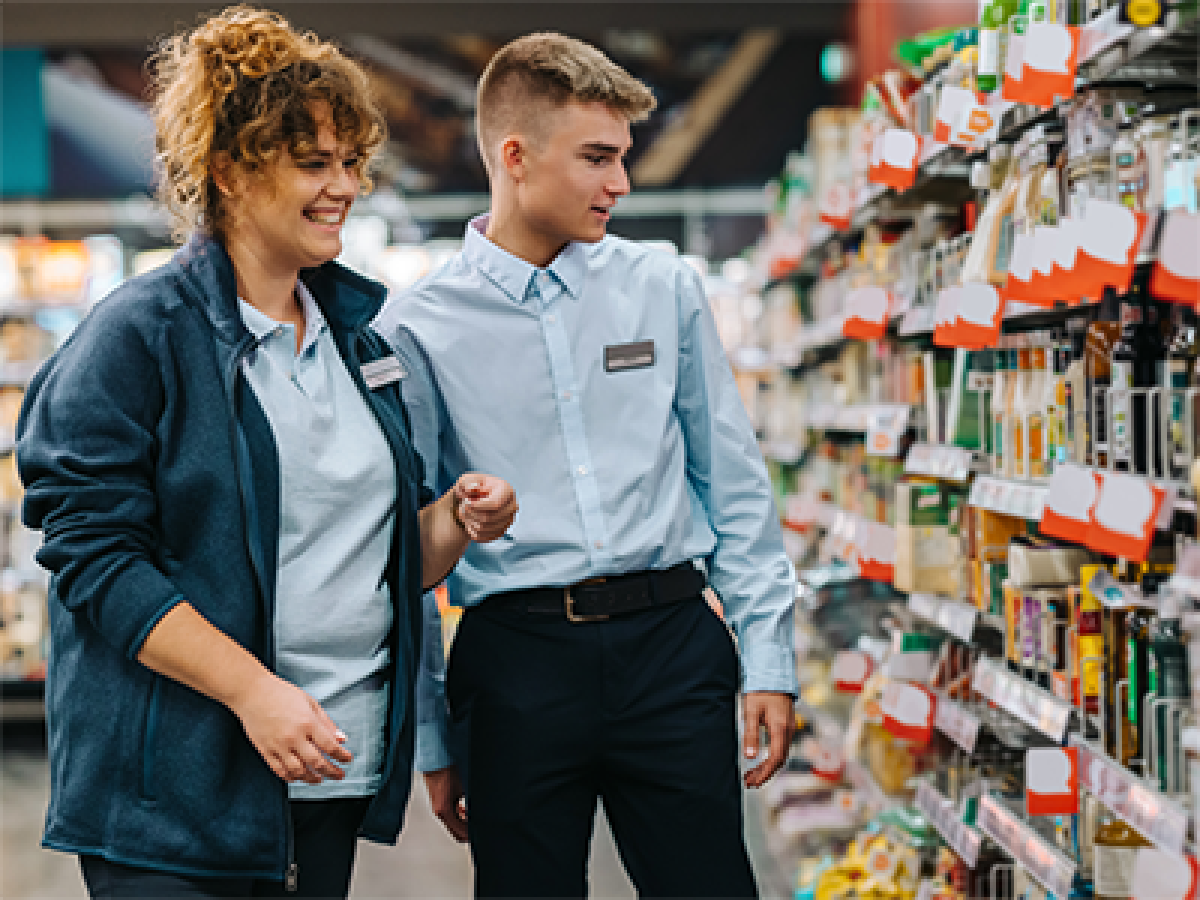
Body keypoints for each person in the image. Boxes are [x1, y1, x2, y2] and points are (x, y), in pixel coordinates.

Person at [15, 7, 517, 899]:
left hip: (328, 767)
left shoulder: (363, 345)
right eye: (314, 164)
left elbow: (386, 559)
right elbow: (96, 561)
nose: (344, 187)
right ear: (230, 169)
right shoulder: (137, 338)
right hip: (178, 795)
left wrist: (453, 523)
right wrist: (254, 693)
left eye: (351, 163)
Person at [379, 32, 797, 900]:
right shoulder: (414, 328)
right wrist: (431, 735)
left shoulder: (661, 286)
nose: (623, 184)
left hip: (673, 646)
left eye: (623, 157)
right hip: (515, 664)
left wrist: (768, 658)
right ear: (515, 157)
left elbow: (733, 479)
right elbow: (408, 548)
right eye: (598, 157)